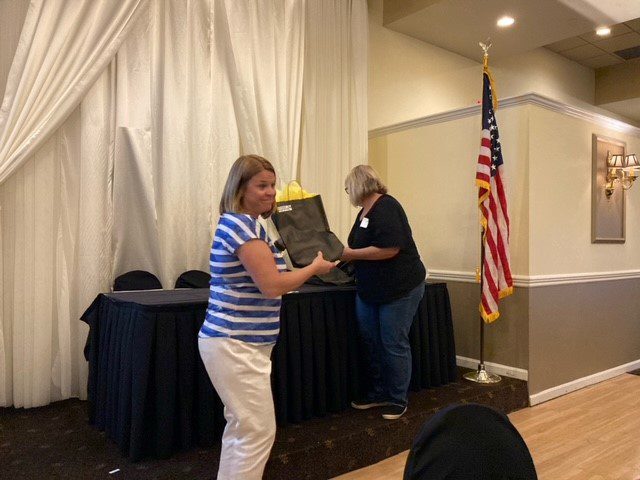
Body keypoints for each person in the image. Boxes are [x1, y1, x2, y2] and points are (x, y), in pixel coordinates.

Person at [198, 155, 335, 480]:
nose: (271, 192)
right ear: (240, 188)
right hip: (236, 344)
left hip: (239, 344)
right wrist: (313, 268)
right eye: (262, 185)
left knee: (243, 431)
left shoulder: (247, 225)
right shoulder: (242, 226)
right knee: (256, 433)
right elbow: (272, 285)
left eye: (272, 185)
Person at [341, 164, 426, 420]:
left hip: (400, 288)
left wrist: (350, 254)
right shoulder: (363, 213)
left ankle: (397, 398)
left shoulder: (387, 206)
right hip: (371, 290)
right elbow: (360, 247)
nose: (348, 193)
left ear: (358, 185)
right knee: (372, 341)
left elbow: (390, 249)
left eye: (348, 188)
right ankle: (379, 393)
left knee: (393, 342)